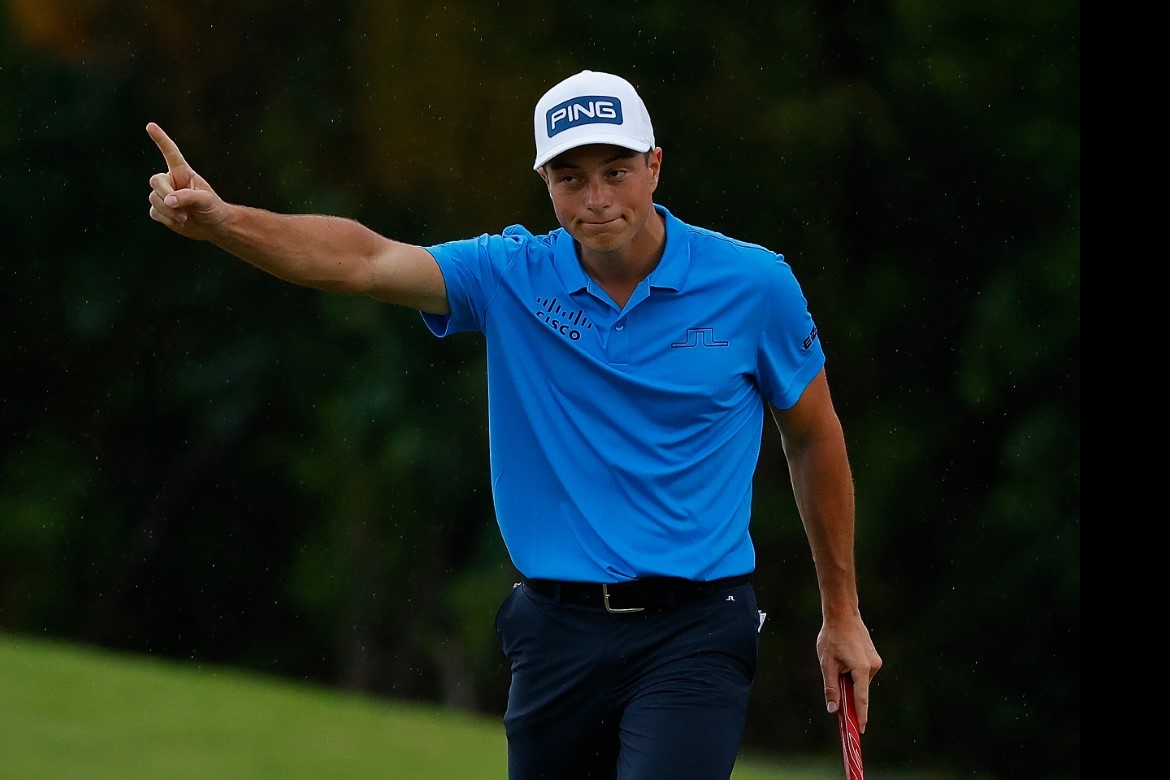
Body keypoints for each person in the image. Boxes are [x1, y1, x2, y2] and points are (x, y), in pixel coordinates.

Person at [146, 69, 882, 780]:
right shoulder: (509, 275)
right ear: (546, 184)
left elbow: (813, 434)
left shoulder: (754, 285)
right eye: (570, 178)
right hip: (556, 632)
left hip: (694, 626)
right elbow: (363, 261)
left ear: (655, 166)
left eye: (616, 170)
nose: (595, 199)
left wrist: (841, 614)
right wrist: (223, 221)